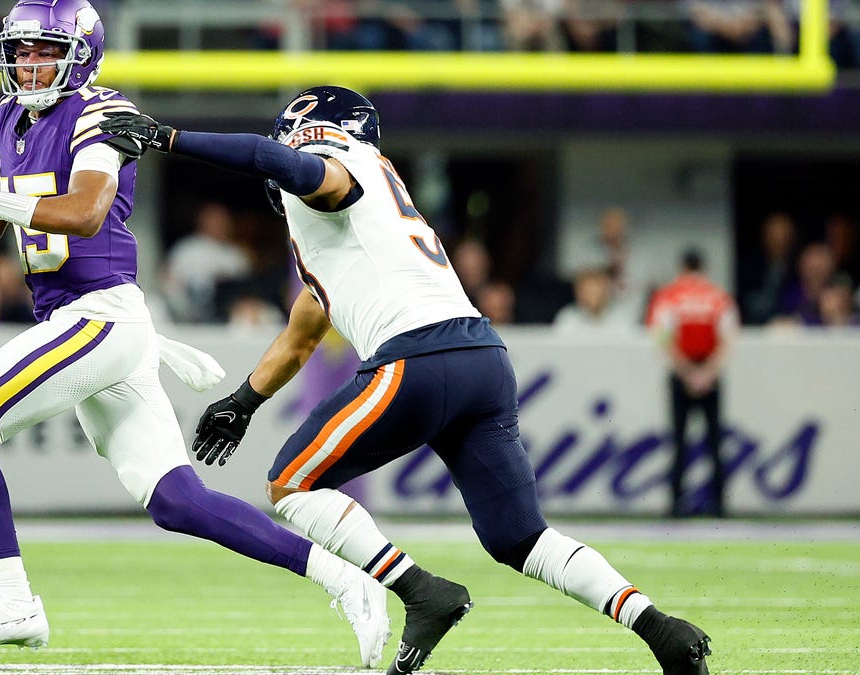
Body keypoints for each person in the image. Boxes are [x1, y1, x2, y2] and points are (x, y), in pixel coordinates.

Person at [100, 85, 714, 675]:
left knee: (291, 484)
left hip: (418, 358)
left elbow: (300, 170)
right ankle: (662, 630)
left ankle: (422, 594)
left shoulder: (341, 164)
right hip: (481, 358)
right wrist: (243, 401)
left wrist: (168, 137)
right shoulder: (365, 223)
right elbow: (304, 330)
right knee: (520, 537)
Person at [0, 1, 389, 664]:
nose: (28, 62)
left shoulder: (100, 112)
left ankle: (14, 599)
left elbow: (87, 212)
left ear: (80, 52)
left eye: (43, 49)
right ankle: (346, 578)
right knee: (180, 502)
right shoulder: (7, 117)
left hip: (97, 315)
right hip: (83, 321)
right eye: (21, 49)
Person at [645, 249, 739, 519]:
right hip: (709, 372)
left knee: (678, 440)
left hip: (681, 373)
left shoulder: (669, 297)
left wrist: (686, 373)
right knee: (714, 440)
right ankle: (719, 504)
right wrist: (707, 373)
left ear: (682, 267)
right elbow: (728, 339)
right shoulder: (718, 297)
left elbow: (662, 338)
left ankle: (676, 503)